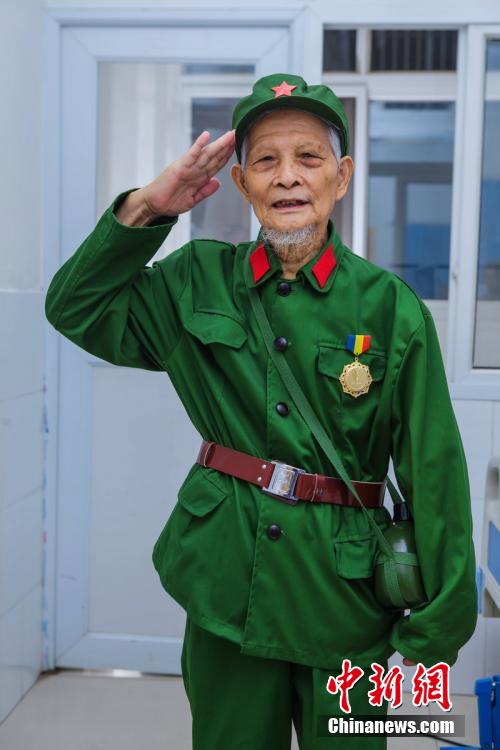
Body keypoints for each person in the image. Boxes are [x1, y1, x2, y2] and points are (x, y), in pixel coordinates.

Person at [45, 73, 478, 749]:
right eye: (266, 161)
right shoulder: (195, 279)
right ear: (242, 183)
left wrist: (441, 623)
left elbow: (433, 468)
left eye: (308, 158)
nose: (287, 178)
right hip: (227, 586)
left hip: (347, 596)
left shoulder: (389, 308)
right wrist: (150, 208)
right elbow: (74, 307)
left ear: (342, 175)